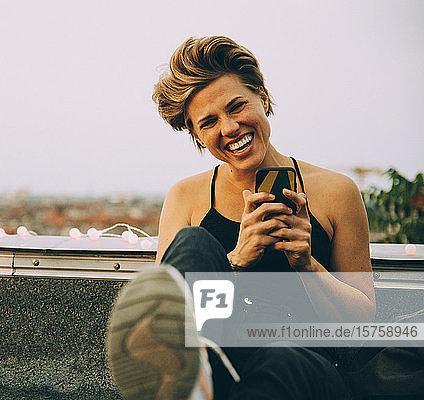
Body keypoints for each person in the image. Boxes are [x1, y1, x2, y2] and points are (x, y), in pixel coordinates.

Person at [106, 36, 376, 400]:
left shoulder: (336, 192)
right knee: (194, 242)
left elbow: (362, 325)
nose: (229, 128)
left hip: (307, 359)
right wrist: (234, 261)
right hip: (223, 352)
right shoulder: (185, 197)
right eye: (209, 122)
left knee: (280, 360)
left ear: (262, 98)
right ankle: (193, 369)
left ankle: (196, 386)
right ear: (198, 136)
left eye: (237, 107)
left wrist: (307, 265)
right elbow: (170, 306)